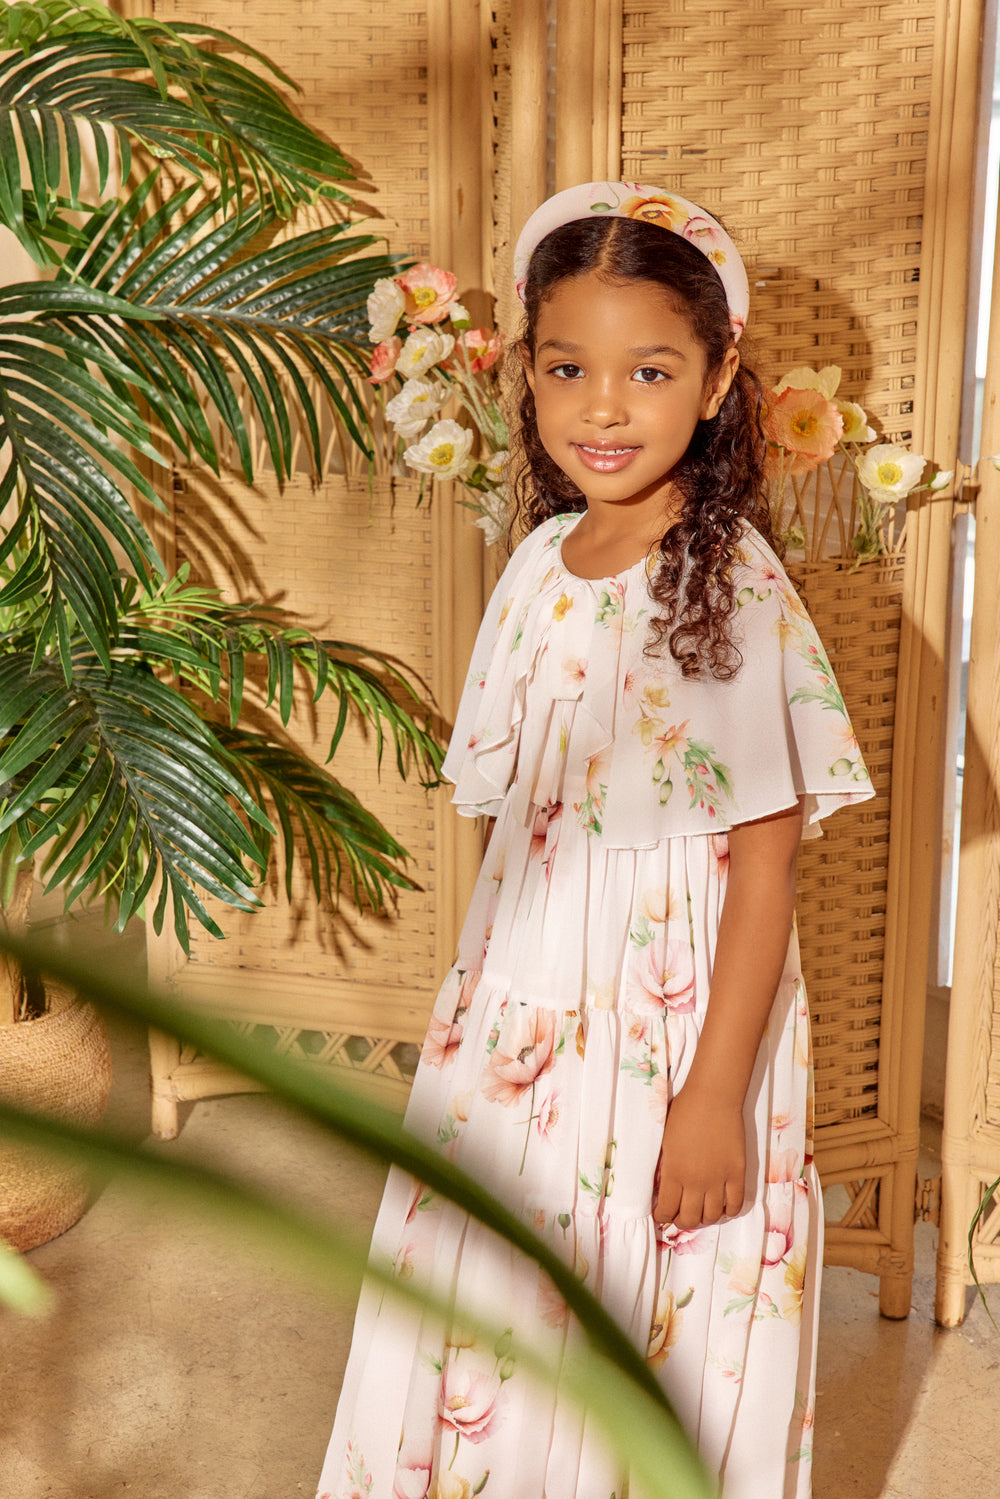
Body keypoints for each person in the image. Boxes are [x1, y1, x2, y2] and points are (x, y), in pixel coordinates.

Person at [317, 182, 873, 1499]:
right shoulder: (543, 557)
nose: (605, 406)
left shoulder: (726, 576)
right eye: (569, 368)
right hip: (526, 1015)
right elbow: (528, 829)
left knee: (650, 1313)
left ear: (721, 376)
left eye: (650, 370)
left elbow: (764, 861)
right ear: (525, 369)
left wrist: (714, 1096)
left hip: (672, 1032)